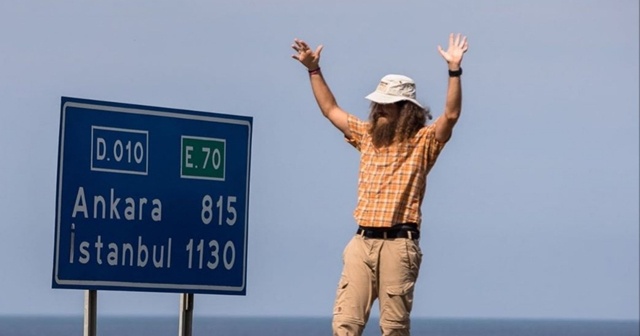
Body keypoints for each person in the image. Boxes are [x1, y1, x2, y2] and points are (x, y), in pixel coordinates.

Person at [291, 33, 469, 336]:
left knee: (394, 328)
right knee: (345, 324)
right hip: (362, 242)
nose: (380, 109)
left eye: (388, 105)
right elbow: (330, 110)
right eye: (379, 104)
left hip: (399, 243)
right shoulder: (368, 135)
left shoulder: (422, 142)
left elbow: (451, 115)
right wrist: (313, 70)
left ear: (406, 108)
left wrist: (454, 71)